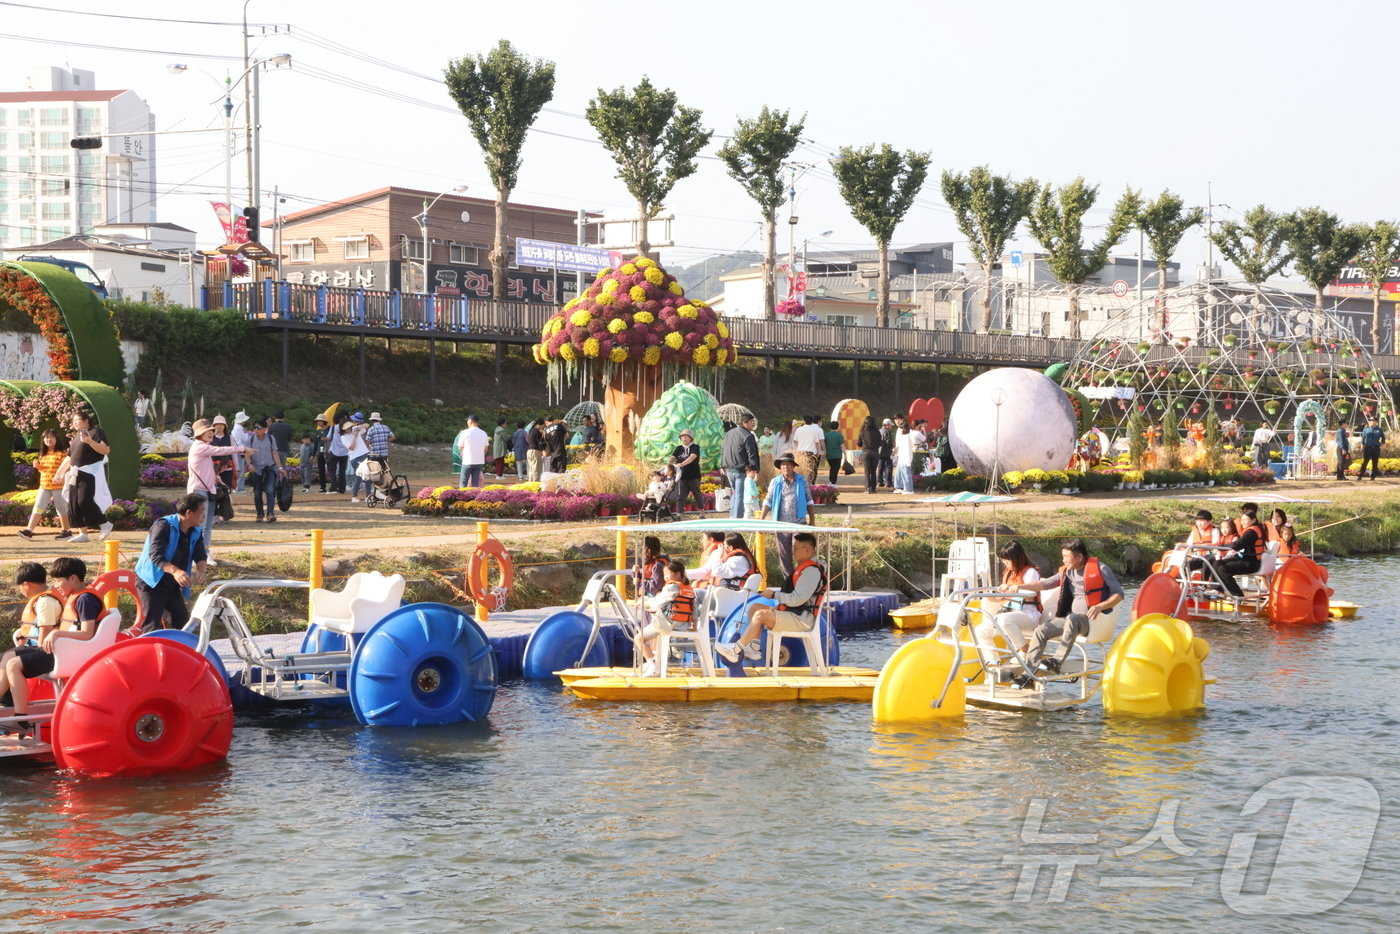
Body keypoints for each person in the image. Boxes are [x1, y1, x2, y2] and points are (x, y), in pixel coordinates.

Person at [0, 556, 103, 732]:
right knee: (9, 657)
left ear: (73, 578)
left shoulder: (85, 600)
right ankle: (9, 706)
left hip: (70, 654)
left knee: (14, 665)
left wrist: (56, 633)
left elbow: (87, 633)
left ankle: (21, 719)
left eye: (58, 580)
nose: (55, 585)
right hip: (63, 650)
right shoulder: (76, 597)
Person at [1019, 539, 1126, 676]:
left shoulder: (1101, 569)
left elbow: (1119, 594)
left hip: (1091, 621)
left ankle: (1056, 661)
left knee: (1072, 618)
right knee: (1041, 631)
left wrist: (1100, 606)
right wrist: (1019, 587)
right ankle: (1028, 673)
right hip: (1071, 620)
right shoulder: (1067, 572)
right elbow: (1043, 584)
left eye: (1066, 556)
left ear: (1079, 557)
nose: (1063, 560)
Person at [716, 531, 826, 663]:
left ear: (807, 550)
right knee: (754, 608)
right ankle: (753, 648)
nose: (793, 552)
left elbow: (797, 599)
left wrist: (774, 595)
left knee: (760, 615)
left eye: (796, 548)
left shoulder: (811, 572)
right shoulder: (805, 569)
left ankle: (734, 650)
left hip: (802, 620)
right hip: (794, 613)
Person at [135, 493, 209, 631]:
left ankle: (180, 651)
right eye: (201, 512)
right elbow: (156, 556)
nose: (204, 515)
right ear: (189, 513)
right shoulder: (163, 525)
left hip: (172, 582)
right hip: (151, 581)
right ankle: (151, 652)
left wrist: (201, 572)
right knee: (151, 625)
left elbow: (200, 555)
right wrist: (176, 571)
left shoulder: (196, 531)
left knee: (182, 621)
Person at [973, 540, 1043, 659]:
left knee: (1004, 620)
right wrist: (989, 596)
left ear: (1017, 558)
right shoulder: (1008, 574)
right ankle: (993, 663)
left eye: (1007, 560)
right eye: (1003, 560)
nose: (1005, 563)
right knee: (980, 630)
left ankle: (1026, 650)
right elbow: (1002, 598)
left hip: (1028, 615)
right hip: (1008, 614)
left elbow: (1031, 595)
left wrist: (1011, 589)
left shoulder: (1030, 572)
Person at [56, 411, 112, 543]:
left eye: (77, 420)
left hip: (90, 472)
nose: (74, 423)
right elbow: (70, 457)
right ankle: (83, 533)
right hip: (75, 473)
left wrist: (90, 441)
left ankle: (104, 523)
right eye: (73, 421)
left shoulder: (95, 431)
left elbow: (106, 450)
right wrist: (59, 472)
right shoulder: (76, 437)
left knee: (83, 500)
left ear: (86, 420)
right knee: (73, 503)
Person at [637, 559, 697, 677]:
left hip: (668, 624)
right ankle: (655, 662)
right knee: (657, 633)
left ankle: (653, 665)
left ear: (678, 574)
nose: (665, 577)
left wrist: (643, 603)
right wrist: (694, 624)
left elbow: (657, 603)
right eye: (664, 575)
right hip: (682, 626)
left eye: (667, 574)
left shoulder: (671, 587)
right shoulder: (690, 589)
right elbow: (695, 610)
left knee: (638, 638)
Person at [758, 453, 814, 576]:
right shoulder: (775, 482)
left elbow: (809, 500)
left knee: (800, 551)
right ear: (780, 467)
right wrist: (761, 520)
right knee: (784, 555)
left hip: (799, 523)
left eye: (788, 464)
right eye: (783, 465)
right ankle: (789, 582)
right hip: (781, 524)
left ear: (793, 466)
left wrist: (812, 521)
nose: (786, 467)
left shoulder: (802, 480)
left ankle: (801, 578)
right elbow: (768, 500)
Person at [20, 428, 72, 540]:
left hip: (58, 486)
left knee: (61, 509)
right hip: (44, 486)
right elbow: (44, 470)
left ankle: (66, 531)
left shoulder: (62, 454)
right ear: (43, 440)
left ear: (57, 439)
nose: (49, 439)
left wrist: (60, 478)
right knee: (38, 507)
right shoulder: (43, 454)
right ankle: (29, 531)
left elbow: (67, 468)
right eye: (46, 437)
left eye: (52, 437)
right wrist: (38, 466)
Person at [185, 419, 223, 561]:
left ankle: (205, 554)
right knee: (199, 525)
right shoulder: (199, 446)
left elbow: (205, 469)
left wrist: (215, 477)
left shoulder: (205, 447)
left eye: (211, 430)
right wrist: (242, 449)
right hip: (198, 491)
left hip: (208, 490)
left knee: (207, 524)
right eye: (206, 431)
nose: (210, 433)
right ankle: (195, 556)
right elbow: (221, 450)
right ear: (199, 434)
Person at [1203, 509, 1265, 597]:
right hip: (1243, 559)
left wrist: (1221, 547)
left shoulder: (1251, 532)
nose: (1243, 522)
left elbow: (1238, 545)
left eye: (1246, 520)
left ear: (1253, 520)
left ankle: (1238, 594)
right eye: (1242, 520)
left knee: (1223, 569)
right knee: (1217, 563)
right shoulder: (1249, 530)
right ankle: (1218, 590)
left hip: (1251, 563)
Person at [11, 562, 60, 649]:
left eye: (20, 586)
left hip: (42, 649)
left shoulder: (45, 602)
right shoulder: (45, 597)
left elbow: (46, 630)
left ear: (26, 584)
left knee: (9, 661)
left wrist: (38, 652)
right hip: (32, 645)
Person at [721, 414, 759, 519]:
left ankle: (732, 516)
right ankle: (737, 518)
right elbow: (752, 454)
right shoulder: (748, 435)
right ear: (745, 423)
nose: (753, 424)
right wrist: (754, 470)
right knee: (740, 494)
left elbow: (723, 450)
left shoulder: (728, 433)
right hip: (741, 469)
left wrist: (722, 465)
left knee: (735, 493)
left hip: (729, 469)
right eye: (752, 422)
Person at [246, 419, 283, 522]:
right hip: (256, 470)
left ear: (265, 429)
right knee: (257, 494)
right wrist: (249, 464)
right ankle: (260, 514)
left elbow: (275, 453)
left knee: (271, 491)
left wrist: (280, 468)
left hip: (269, 469)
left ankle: (270, 513)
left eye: (258, 428)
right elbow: (247, 454)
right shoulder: (251, 439)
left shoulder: (271, 439)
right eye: (254, 428)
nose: (256, 430)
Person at [672, 429, 704, 512]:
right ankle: (679, 514)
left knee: (697, 494)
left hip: (693, 476)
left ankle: (702, 513)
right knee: (680, 496)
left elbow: (692, 457)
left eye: (686, 436)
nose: (684, 438)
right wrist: (668, 465)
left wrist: (681, 464)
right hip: (682, 476)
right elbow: (672, 457)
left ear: (690, 438)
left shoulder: (695, 447)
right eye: (682, 436)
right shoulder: (679, 448)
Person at [455, 415, 490, 488]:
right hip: (479, 461)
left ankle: (462, 498)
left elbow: (460, 447)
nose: (467, 422)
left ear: (470, 421)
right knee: (475, 484)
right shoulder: (483, 433)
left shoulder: (465, 433)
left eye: (467, 420)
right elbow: (486, 449)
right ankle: (473, 497)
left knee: (463, 483)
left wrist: (464, 454)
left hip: (467, 461)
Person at [345, 413, 370, 502]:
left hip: (364, 454)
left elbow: (366, 425)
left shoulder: (356, 429)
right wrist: (355, 434)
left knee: (366, 476)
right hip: (355, 457)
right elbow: (351, 447)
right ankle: (355, 496)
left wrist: (359, 427)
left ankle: (368, 496)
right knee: (360, 476)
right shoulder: (344, 436)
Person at [793, 415, 826, 483]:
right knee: (812, 469)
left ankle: (801, 483)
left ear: (804, 421)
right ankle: (811, 484)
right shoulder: (814, 430)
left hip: (801, 453)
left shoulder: (799, 429)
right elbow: (817, 443)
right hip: (811, 453)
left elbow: (795, 441)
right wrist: (817, 452)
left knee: (801, 469)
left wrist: (796, 449)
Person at [210, 415, 236, 495]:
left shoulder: (230, 437)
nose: (219, 426)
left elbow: (234, 452)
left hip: (227, 468)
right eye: (217, 424)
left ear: (225, 426)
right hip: (213, 469)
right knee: (214, 490)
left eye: (221, 424)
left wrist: (236, 468)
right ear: (214, 426)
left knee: (226, 490)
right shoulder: (210, 438)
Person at [857, 415, 881, 494]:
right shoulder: (877, 431)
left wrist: (863, 445)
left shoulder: (862, 431)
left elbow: (858, 443)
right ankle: (873, 489)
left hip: (865, 452)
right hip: (875, 452)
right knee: (873, 471)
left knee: (867, 472)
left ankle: (867, 489)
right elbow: (880, 442)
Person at [327, 416, 350, 495]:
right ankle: (342, 489)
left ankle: (334, 487)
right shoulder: (348, 429)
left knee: (332, 470)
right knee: (342, 471)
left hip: (334, 451)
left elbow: (329, 437)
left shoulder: (333, 427)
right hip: (344, 452)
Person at [893, 419, 917, 493]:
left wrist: (908, 460)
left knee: (907, 474)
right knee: (900, 473)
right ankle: (899, 487)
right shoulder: (903, 436)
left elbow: (908, 449)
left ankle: (909, 489)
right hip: (902, 458)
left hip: (906, 458)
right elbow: (899, 446)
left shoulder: (907, 436)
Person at [1358, 416, 1385, 480]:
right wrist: (1362, 446)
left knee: (1375, 463)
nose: (1370, 422)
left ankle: (1373, 477)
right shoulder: (1366, 429)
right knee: (1365, 462)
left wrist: (1382, 445)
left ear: (1376, 422)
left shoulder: (1379, 429)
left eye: (1372, 420)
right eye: (1369, 420)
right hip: (1368, 448)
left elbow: (1383, 437)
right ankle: (1360, 476)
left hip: (1376, 448)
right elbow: (1363, 438)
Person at [232, 411, 251, 493]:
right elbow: (246, 439)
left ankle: (239, 487)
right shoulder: (239, 428)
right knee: (240, 470)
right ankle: (238, 488)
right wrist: (246, 433)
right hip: (239, 451)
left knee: (239, 469)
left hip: (237, 451)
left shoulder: (236, 427)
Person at [312, 413, 330, 493]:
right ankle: (322, 487)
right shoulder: (318, 432)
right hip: (320, 453)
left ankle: (334, 486)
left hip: (328, 452)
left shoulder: (329, 430)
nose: (318, 423)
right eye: (317, 421)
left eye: (319, 421)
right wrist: (313, 455)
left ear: (324, 421)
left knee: (331, 469)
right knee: (321, 470)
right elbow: (315, 444)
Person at [824, 420, 846, 485]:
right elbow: (842, 446)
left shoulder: (826, 435)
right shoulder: (839, 435)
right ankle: (833, 482)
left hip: (829, 455)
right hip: (837, 455)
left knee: (832, 468)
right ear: (838, 427)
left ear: (830, 427)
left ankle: (831, 482)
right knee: (835, 469)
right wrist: (845, 455)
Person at [878, 417, 896, 490]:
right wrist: (892, 448)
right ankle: (888, 482)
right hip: (887, 452)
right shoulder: (887, 431)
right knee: (889, 467)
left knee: (880, 467)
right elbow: (889, 442)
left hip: (880, 451)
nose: (891, 426)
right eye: (890, 425)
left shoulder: (879, 431)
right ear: (886, 425)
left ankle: (880, 482)